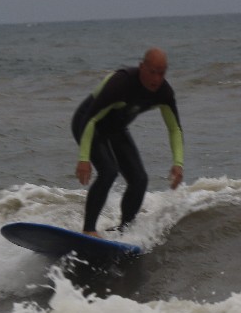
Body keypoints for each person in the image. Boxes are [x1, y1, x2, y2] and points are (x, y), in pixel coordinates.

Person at [71, 48, 184, 235]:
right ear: (142, 67)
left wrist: (178, 163)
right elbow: (90, 119)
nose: (156, 79)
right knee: (108, 171)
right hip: (87, 123)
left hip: (116, 128)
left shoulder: (164, 93)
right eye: (152, 72)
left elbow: (175, 129)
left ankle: (124, 232)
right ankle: (88, 230)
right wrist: (84, 158)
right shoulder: (121, 83)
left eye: (161, 73)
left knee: (139, 179)